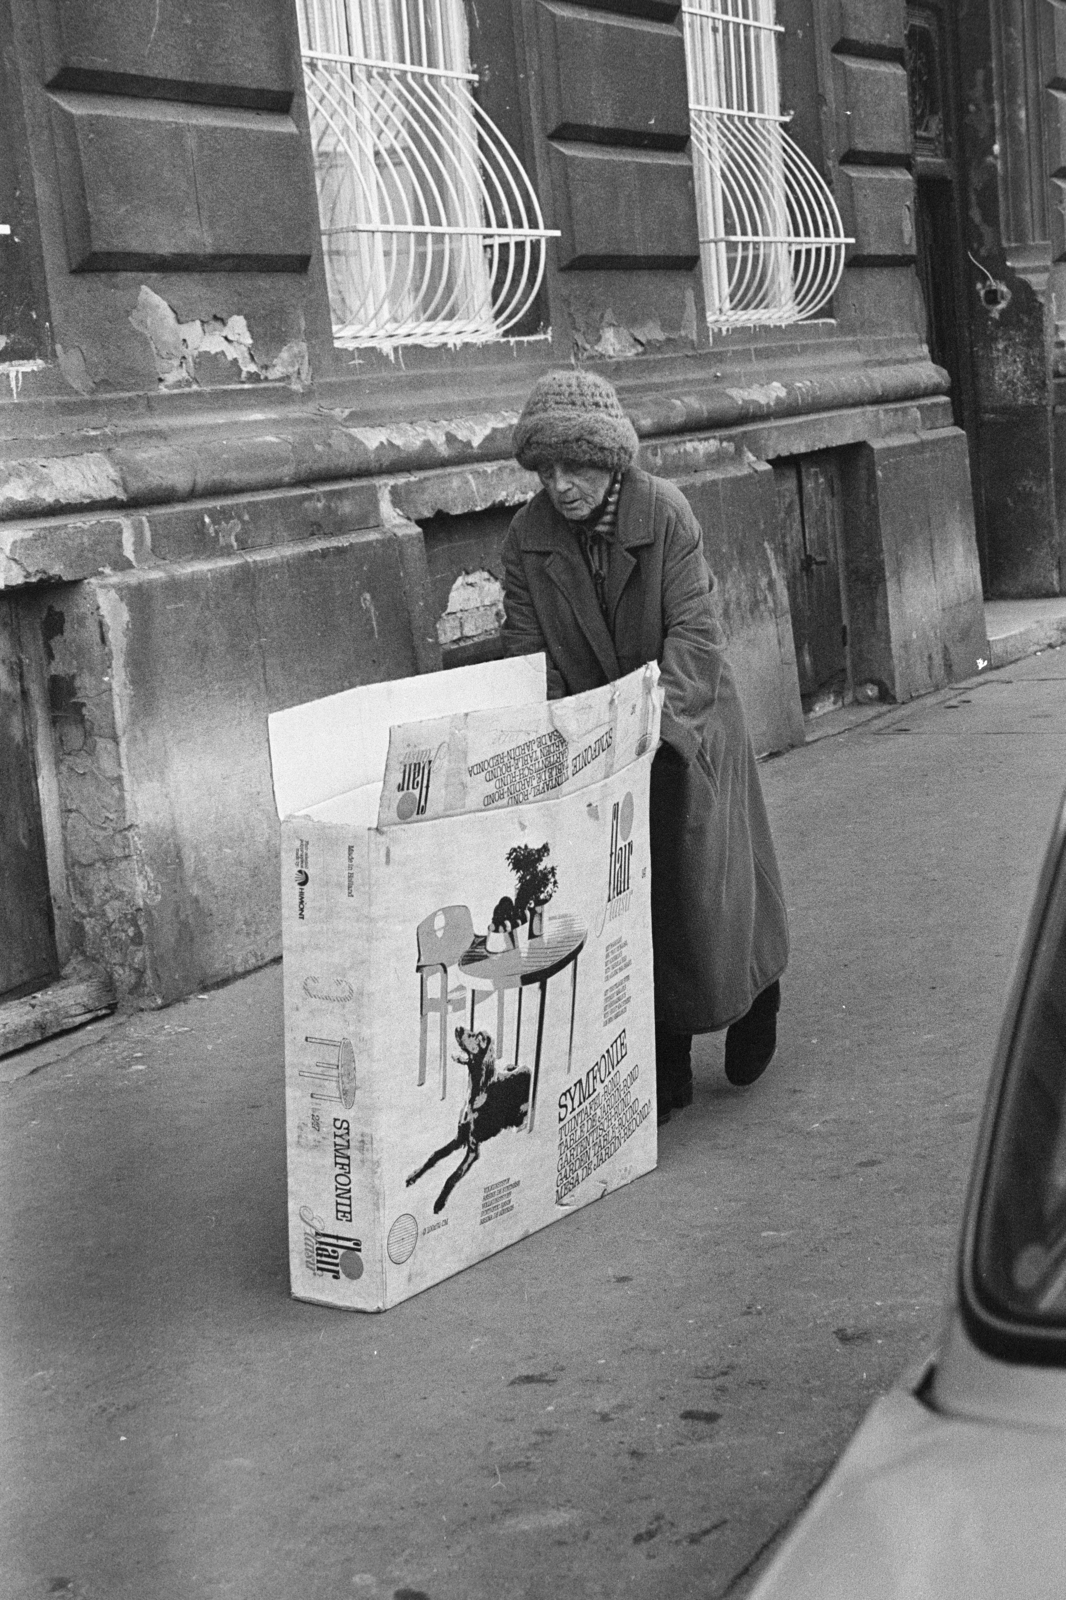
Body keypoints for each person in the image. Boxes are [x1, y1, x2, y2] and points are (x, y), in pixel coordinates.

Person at [500, 368, 789, 1121]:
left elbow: (696, 630)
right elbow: (529, 657)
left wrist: (656, 724)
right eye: (548, 470)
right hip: (598, 740)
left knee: (708, 890)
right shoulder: (527, 538)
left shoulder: (665, 513)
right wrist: (561, 734)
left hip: (684, 723)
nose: (561, 485)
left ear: (611, 462)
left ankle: (757, 991)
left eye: (577, 466)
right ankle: (664, 1064)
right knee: (625, 901)